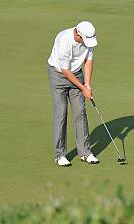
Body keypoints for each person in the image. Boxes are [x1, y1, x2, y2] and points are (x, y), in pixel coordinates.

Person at [47, 21, 99, 166]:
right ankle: (60, 155)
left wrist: (87, 84)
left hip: (77, 73)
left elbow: (88, 61)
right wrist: (83, 89)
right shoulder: (63, 39)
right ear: (77, 34)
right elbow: (65, 71)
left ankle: (85, 152)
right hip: (58, 75)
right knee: (61, 113)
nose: (87, 43)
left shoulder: (88, 41)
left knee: (80, 112)